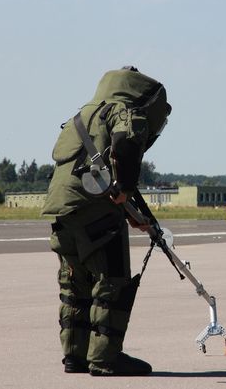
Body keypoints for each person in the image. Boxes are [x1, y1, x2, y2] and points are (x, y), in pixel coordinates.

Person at [42, 66, 171, 376]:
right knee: (111, 280)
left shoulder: (83, 115)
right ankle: (105, 359)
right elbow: (127, 142)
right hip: (94, 209)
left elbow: (95, 169)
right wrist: (126, 190)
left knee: (75, 281)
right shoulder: (123, 111)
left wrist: (130, 213)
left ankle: (75, 356)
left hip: (61, 206)